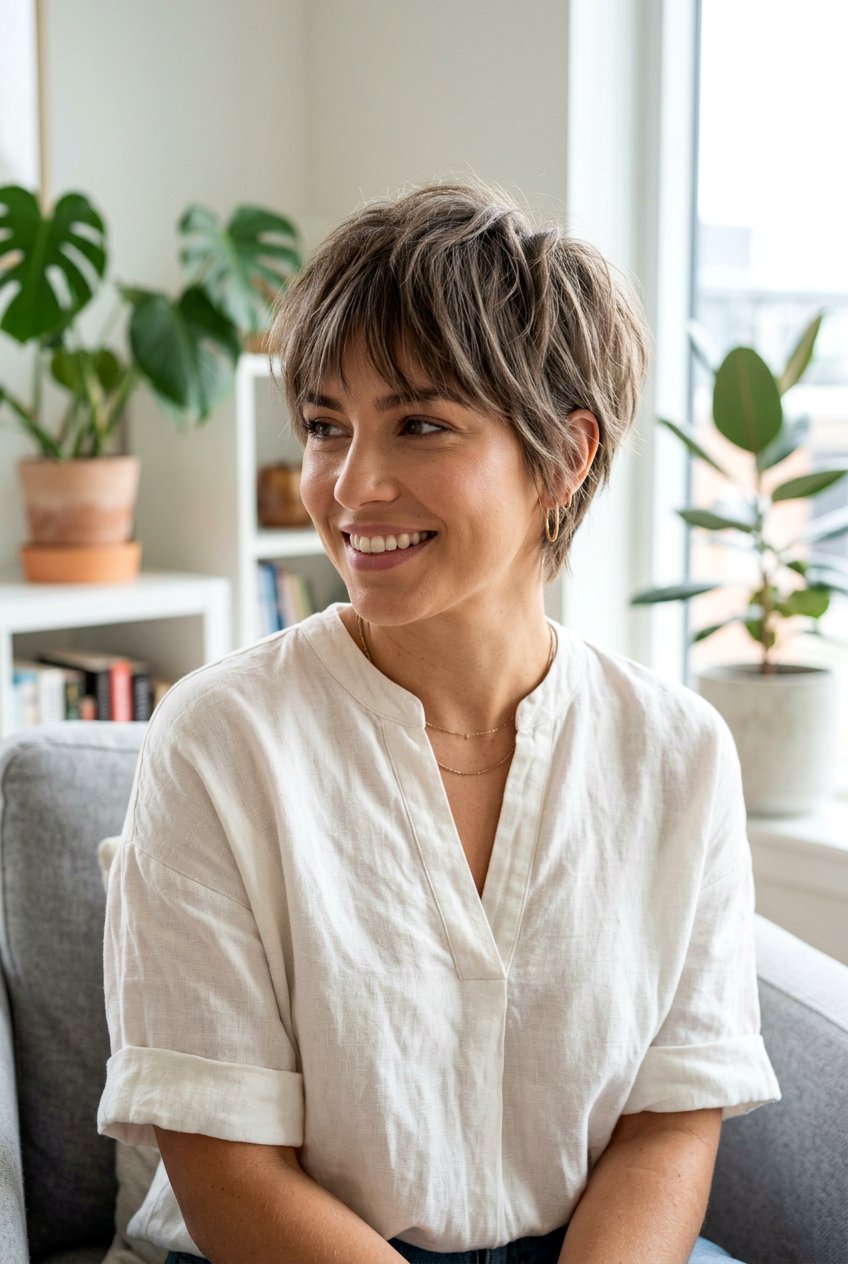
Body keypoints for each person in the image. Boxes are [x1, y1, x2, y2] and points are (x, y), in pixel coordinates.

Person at [98, 180, 780, 1264]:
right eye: (326, 425)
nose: (349, 484)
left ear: (564, 456)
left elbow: (666, 1119)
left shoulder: (675, 753)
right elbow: (226, 1165)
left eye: (417, 424)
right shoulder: (221, 737)